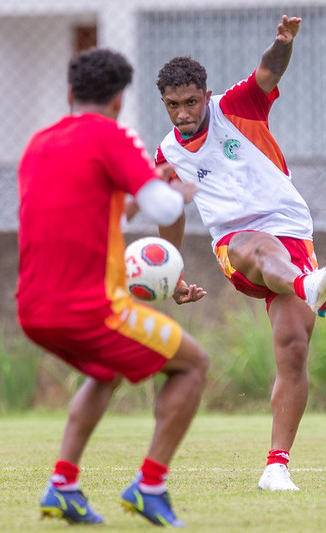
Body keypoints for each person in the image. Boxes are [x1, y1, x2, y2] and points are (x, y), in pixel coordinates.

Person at [154, 15, 326, 491]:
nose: (183, 113)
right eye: (172, 105)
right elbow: (172, 215)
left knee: (293, 347)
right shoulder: (167, 156)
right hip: (235, 246)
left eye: (191, 102)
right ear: (164, 104)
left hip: (292, 234)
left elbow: (269, 70)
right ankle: (308, 284)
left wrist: (282, 43)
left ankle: (276, 467)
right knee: (254, 246)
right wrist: (172, 270)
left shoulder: (238, 107)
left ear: (206, 93)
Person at [17, 48, 209, 527]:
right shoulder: (112, 134)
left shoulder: (39, 143)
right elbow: (164, 211)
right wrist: (177, 192)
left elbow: (104, 210)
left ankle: (62, 486)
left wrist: (145, 184)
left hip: (33, 310)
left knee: (104, 370)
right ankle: (150, 486)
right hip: (90, 308)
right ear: (120, 100)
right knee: (193, 366)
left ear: (70, 94)